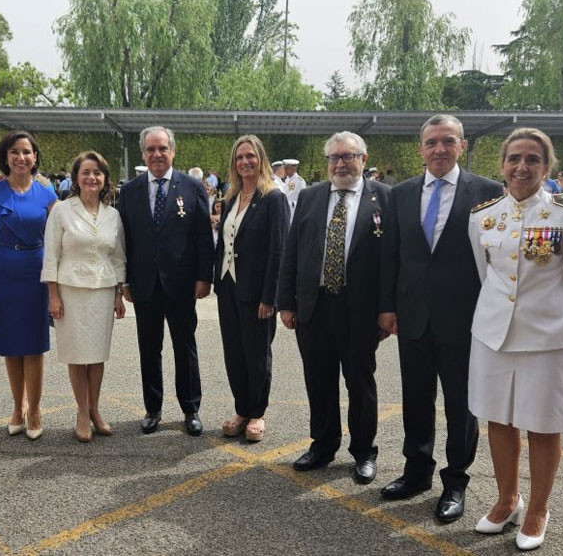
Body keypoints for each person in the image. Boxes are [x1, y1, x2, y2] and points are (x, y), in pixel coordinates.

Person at [468, 128, 563, 549]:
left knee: (543, 426)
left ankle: (539, 508)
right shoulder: (483, 216)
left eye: (532, 159)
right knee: (498, 421)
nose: (521, 167)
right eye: (514, 158)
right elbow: (484, 275)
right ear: (502, 165)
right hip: (493, 336)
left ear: (547, 166)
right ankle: (508, 500)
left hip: (548, 339)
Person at [378, 114, 503, 523]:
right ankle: (416, 472)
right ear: (421, 149)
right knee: (415, 399)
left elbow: (496, 259)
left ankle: (455, 480)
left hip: (464, 319)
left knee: (460, 405)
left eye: (448, 141)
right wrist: (387, 307)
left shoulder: (487, 192)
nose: (439, 149)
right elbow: (391, 256)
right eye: (431, 142)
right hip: (413, 316)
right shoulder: (401, 194)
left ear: (461, 146)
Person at [278, 132, 389, 483]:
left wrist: (388, 309)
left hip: (360, 310)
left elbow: (392, 261)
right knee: (319, 381)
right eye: (334, 158)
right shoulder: (310, 197)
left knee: (360, 383)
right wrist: (286, 302)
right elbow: (292, 252)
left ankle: (364, 453)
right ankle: (323, 445)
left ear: (363, 159)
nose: (341, 163)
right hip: (315, 307)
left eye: (348, 156)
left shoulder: (384, 198)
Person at [116, 126, 214, 435]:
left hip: (182, 284)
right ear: (144, 153)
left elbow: (202, 237)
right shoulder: (129, 190)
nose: (157, 154)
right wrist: (126, 283)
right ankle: (153, 408)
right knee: (149, 348)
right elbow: (125, 240)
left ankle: (190, 408)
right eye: (150, 149)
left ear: (173, 151)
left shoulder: (192, 186)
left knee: (185, 347)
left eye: (162, 149)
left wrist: (203, 277)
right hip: (145, 284)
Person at [0, 131, 57, 440]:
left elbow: (58, 240)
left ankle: (35, 409)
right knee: (11, 346)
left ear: (35, 158)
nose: (21, 157)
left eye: (27, 152)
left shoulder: (48, 195)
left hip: (36, 273)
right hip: (1, 274)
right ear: (5, 157)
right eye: (14, 152)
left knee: (34, 346)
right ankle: (17, 408)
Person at [41, 151, 127, 442]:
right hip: (70, 290)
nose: (92, 177)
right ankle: (81, 411)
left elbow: (118, 258)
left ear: (105, 179)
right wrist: (53, 295)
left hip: (103, 291)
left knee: (97, 355)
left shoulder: (113, 215)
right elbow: (51, 255)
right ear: (76, 178)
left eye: (98, 173)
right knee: (77, 356)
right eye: (86, 172)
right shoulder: (62, 210)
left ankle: (95, 409)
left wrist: (119, 294)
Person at [215, 135, 289, 442]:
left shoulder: (274, 198)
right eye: (239, 157)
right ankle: (242, 408)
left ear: (261, 159)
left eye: (250, 156)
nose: (245, 162)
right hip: (228, 286)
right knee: (234, 351)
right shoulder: (231, 197)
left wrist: (270, 296)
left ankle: (258, 412)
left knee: (257, 353)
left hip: (257, 292)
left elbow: (279, 250)